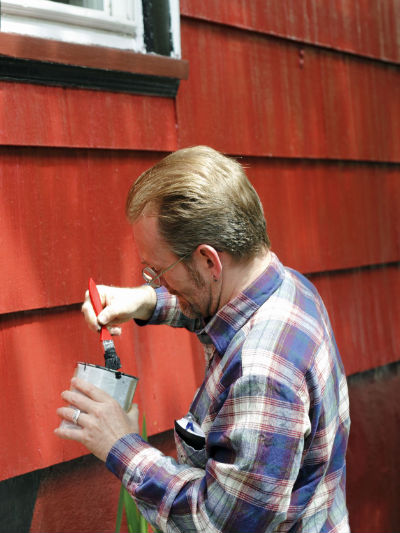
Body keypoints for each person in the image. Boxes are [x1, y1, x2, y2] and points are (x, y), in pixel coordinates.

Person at [55, 146, 350, 532]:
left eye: (158, 271)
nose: (157, 282)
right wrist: (144, 302)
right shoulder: (289, 288)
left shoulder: (263, 373)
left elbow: (221, 522)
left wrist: (120, 444)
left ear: (209, 261)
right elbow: (222, 311)